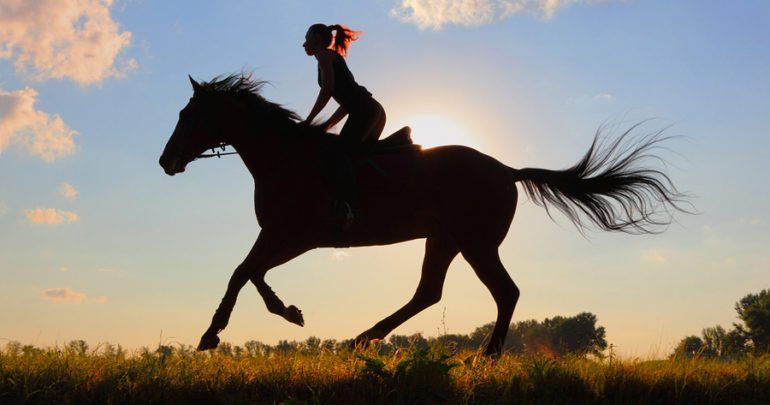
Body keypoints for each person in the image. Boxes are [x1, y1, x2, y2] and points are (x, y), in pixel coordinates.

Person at [302, 23, 386, 229]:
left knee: (339, 152)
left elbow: (328, 90)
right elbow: (346, 104)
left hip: (365, 111)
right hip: (372, 111)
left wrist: (309, 120)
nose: (303, 44)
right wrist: (326, 125)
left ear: (319, 40)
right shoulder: (328, 58)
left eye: (307, 38)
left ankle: (349, 206)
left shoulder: (324, 56)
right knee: (355, 155)